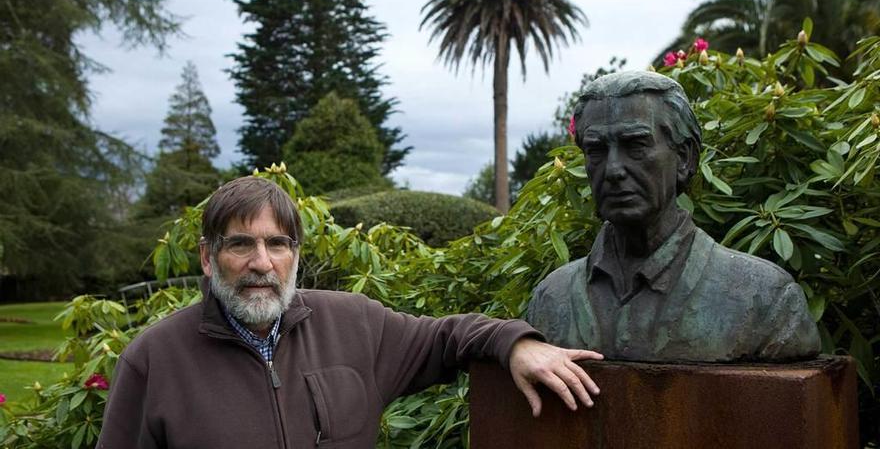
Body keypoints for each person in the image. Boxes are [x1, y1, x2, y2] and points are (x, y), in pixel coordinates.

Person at [98, 176, 603, 448]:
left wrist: (517, 343)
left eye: (278, 243)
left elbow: (448, 336)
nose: (261, 262)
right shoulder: (154, 360)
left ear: (296, 254)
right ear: (208, 259)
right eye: (240, 245)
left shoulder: (354, 324)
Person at [527, 71, 821, 363]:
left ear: (684, 158)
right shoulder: (551, 300)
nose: (613, 169)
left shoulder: (765, 299)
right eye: (596, 150)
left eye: (635, 146)